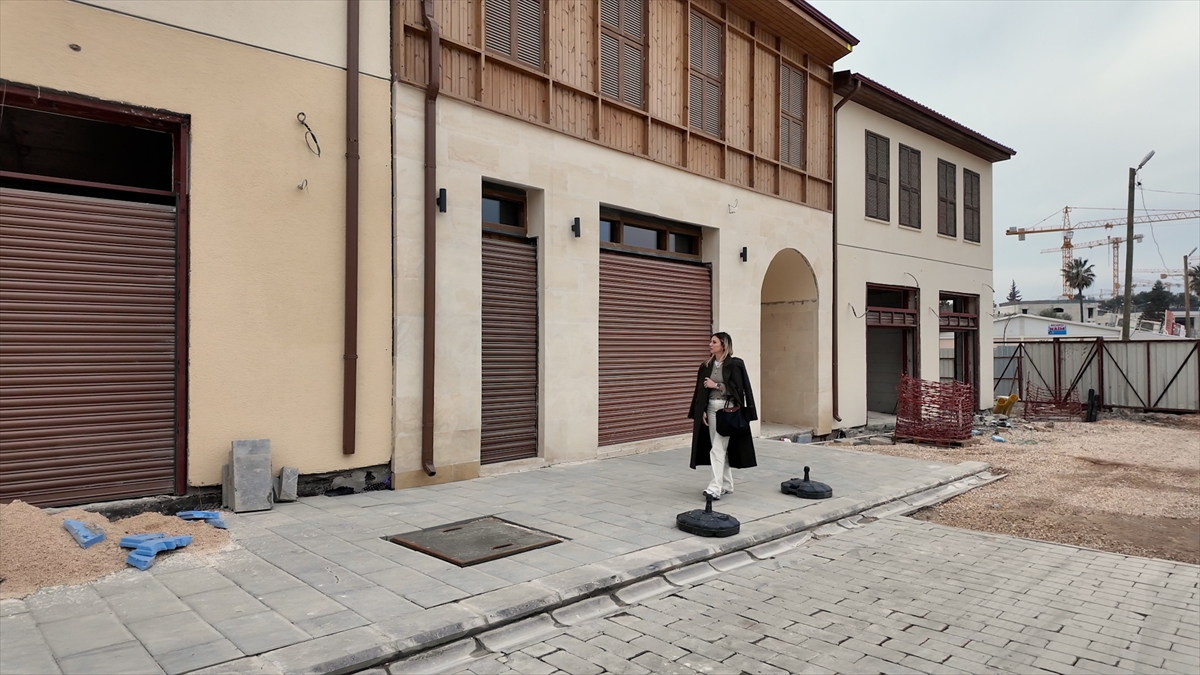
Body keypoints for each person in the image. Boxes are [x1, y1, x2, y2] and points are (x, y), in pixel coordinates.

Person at [687, 332, 757, 500]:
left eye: (714, 342)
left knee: (717, 448)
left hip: (727, 410)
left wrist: (717, 385)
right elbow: (699, 391)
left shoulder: (736, 364)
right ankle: (726, 484)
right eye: (710, 342)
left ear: (723, 345)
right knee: (718, 448)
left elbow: (739, 390)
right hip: (711, 409)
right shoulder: (706, 365)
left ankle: (714, 488)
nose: (710, 345)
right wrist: (701, 410)